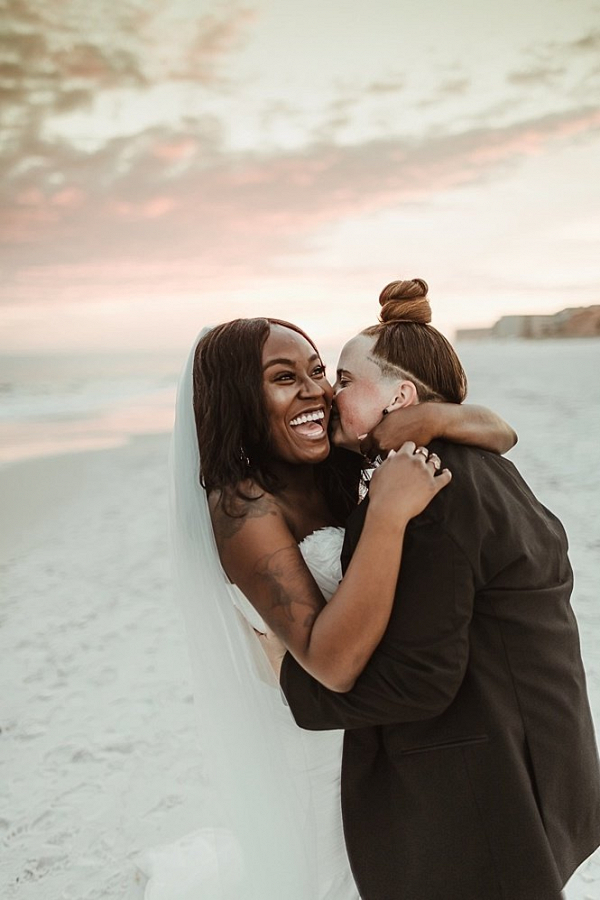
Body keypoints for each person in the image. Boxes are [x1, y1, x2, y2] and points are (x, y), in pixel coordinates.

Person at [139, 316, 515, 900]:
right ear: (240, 397)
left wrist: (431, 417)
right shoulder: (244, 506)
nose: (315, 390)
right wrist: (387, 514)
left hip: (388, 716)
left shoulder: (339, 460)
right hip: (320, 741)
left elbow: (499, 430)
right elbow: (330, 663)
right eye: (284, 378)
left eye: (319, 371)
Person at [276, 279, 600, 900]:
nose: (326, 392)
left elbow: (420, 681)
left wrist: (288, 677)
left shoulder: (430, 492)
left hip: (483, 788)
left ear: (400, 394)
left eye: (344, 379)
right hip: (549, 761)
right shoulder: (482, 462)